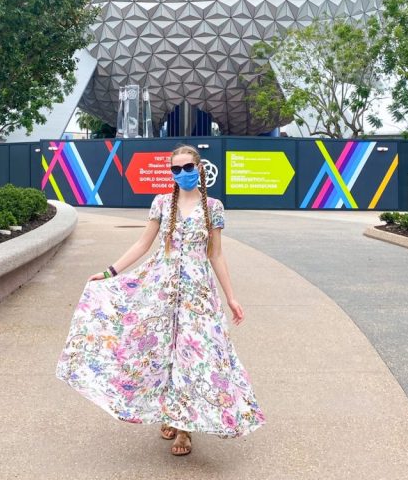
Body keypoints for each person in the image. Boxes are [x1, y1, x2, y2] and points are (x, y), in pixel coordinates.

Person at [56, 144, 265, 456]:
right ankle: (170, 412)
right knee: (160, 352)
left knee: (194, 355)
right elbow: (143, 243)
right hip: (161, 289)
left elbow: (216, 254)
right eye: (176, 170)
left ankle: (185, 430)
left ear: (199, 168)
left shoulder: (215, 207)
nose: (183, 174)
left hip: (198, 293)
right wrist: (110, 271)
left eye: (188, 168)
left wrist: (231, 297)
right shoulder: (162, 203)